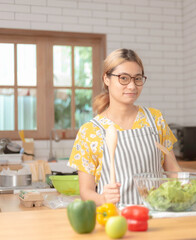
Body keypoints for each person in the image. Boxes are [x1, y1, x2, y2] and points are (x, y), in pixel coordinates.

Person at [68, 48, 181, 206]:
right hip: (115, 220)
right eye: (123, 78)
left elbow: (173, 171)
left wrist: (186, 190)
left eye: (137, 78)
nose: (132, 86)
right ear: (106, 79)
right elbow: (86, 191)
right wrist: (102, 199)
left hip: (157, 215)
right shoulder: (90, 131)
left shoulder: (155, 119)